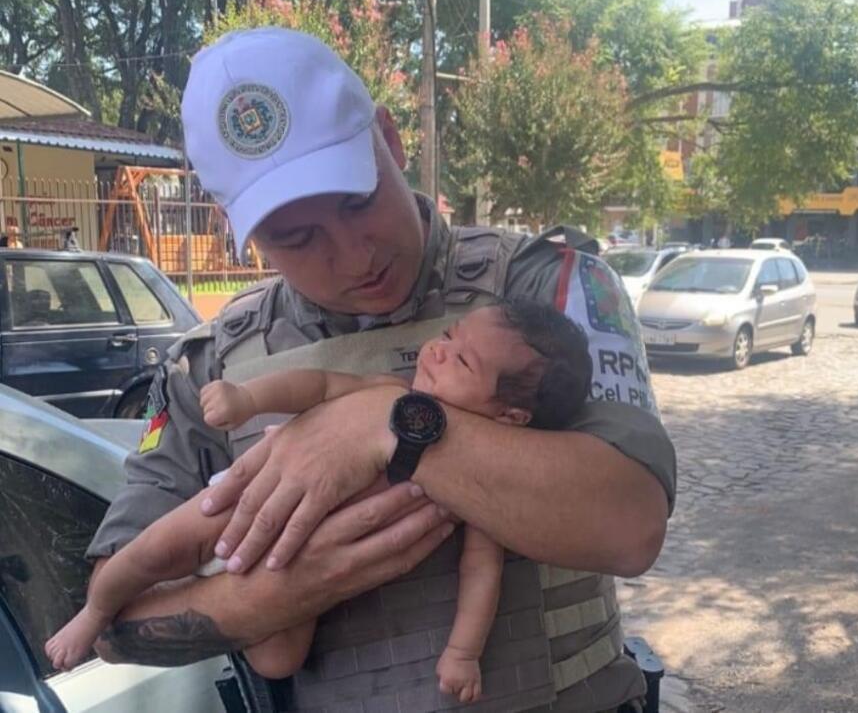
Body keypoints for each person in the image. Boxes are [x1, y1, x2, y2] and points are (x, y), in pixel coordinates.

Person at [85, 27, 675, 712]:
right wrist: (281, 591)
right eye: (296, 237)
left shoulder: (548, 288)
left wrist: (389, 422)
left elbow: (633, 524)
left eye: (356, 200)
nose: (353, 255)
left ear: (390, 141)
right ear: (233, 226)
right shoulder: (209, 367)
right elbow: (111, 624)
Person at [51, 301, 590, 704]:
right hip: (248, 503)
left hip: (294, 570)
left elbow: (481, 571)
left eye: (463, 363)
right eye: (447, 335)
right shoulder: (390, 391)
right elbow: (320, 384)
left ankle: (170, 595)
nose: (438, 349)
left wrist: (463, 652)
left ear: (510, 417)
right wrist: (247, 399)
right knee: (157, 548)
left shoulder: (480, 481)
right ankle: (94, 611)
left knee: (279, 660)